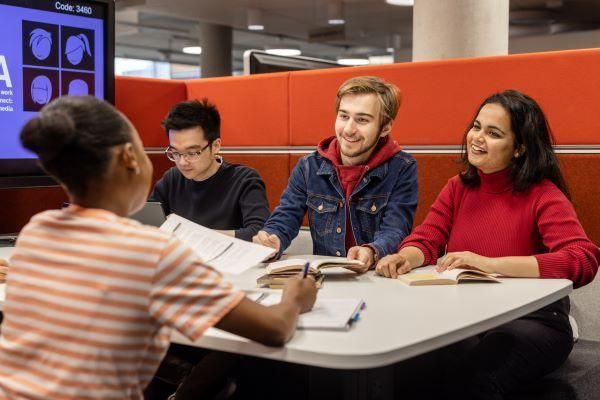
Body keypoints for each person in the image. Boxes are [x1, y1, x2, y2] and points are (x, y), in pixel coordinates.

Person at [0, 96, 317, 400]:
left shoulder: (35, 231)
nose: (181, 162)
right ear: (129, 157)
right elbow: (274, 329)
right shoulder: (150, 251)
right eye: (172, 152)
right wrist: (294, 298)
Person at [376, 90, 600, 399]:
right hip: (467, 319)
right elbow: (427, 237)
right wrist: (405, 257)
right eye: (477, 126)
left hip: (534, 322)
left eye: (493, 133)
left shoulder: (542, 194)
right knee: (406, 368)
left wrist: (490, 263)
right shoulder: (458, 187)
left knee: (474, 379)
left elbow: (583, 259)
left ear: (519, 148)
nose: (477, 138)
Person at [253, 76, 418, 271]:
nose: (349, 129)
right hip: (325, 280)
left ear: (385, 127)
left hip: (377, 277)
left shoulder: (402, 168)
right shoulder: (309, 166)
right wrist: (272, 239)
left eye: (362, 120)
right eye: (344, 116)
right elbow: (285, 217)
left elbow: (396, 229)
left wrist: (372, 251)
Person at [150, 99, 269, 241]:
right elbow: (147, 223)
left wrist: (190, 232)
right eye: (175, 153)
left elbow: (259, 234)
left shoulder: (244, 180)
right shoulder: (171, 179)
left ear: (216, 146)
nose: (182, 162)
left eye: (192, 153)